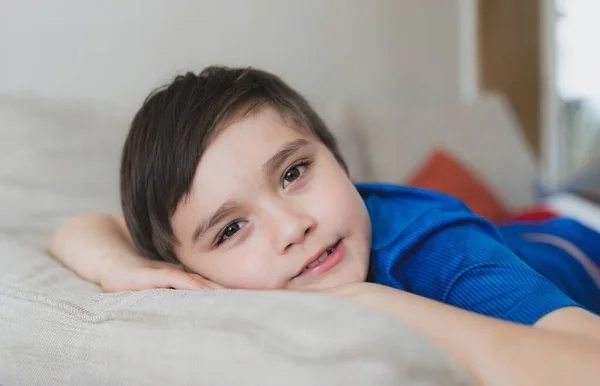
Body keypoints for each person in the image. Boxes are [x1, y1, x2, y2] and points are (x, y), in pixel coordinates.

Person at [49, 66, 600, 385]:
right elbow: (80, 227)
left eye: (293, 172)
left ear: (342, 165)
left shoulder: (436, 248)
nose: (293, 227)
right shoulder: (192, 262)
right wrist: (121, 268)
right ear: (183, 267)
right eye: (230, 230)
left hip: (572, 240)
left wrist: (369, 299)